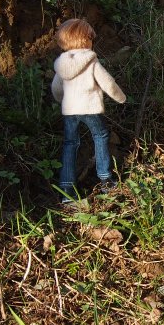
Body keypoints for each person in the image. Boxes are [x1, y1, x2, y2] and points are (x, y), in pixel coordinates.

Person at [51, 18, 126, 201]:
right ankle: (105, 179)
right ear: (85, 39)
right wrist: (120, 98)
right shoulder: (91, 61)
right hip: (90, 108)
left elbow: (56, 88)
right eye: (90, 38)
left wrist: (63, 101)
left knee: (70, 144)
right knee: (100, 137)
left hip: (70, 110)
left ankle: (66, 190)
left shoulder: (62, 64)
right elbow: (107, 82)